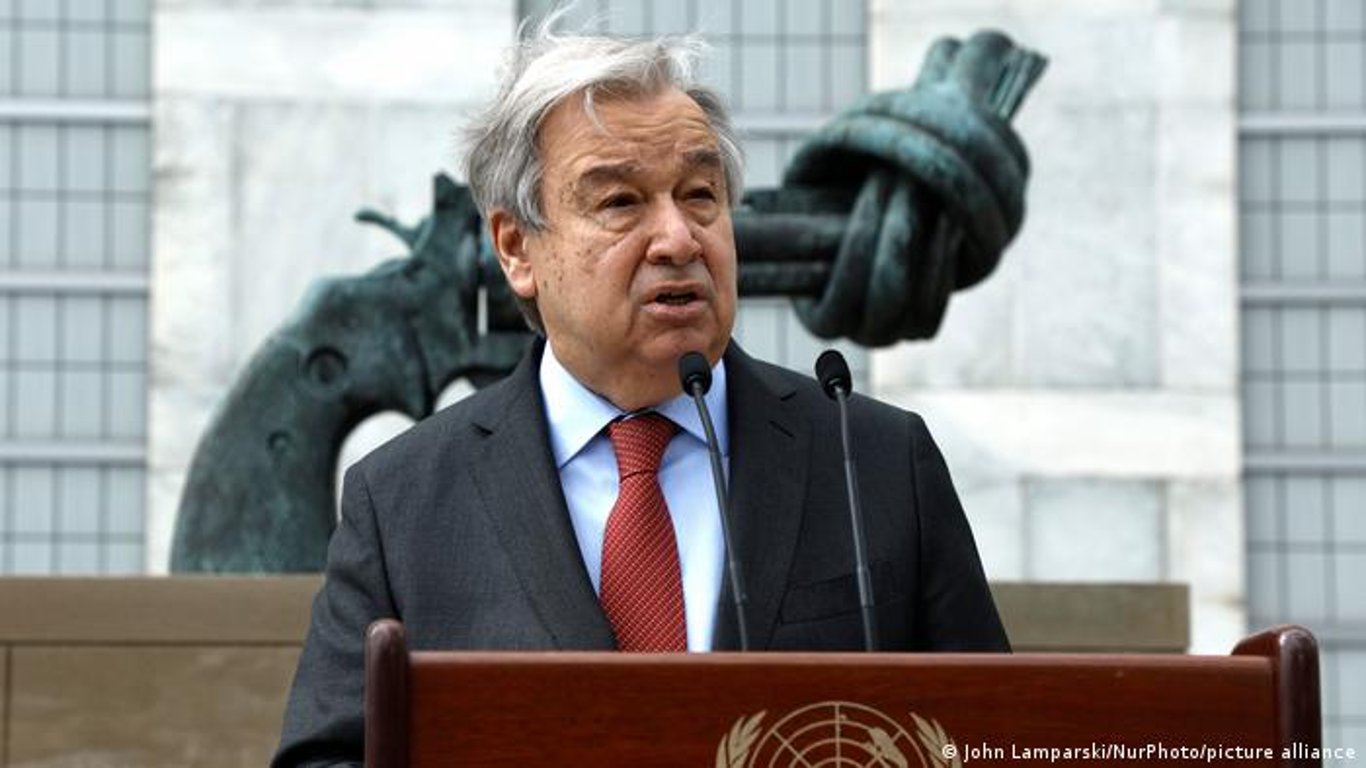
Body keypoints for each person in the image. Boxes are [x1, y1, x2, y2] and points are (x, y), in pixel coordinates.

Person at [272, 24, 1008, 767]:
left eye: (701, 195)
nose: (679, 239)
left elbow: (995, 740)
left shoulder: (875, 461)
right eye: (621, 202)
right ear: (517, 249)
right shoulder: (402, 500)